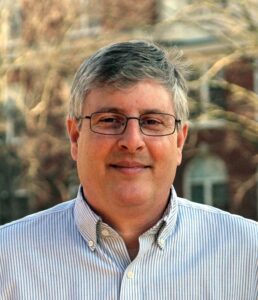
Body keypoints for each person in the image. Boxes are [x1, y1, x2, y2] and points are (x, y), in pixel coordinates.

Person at [0, 40, 257, 300]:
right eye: (110, 120)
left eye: (152, 121)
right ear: (75, 137)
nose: (132, 141)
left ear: (179, 141)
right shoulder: (7, 261)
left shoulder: (249, 256)